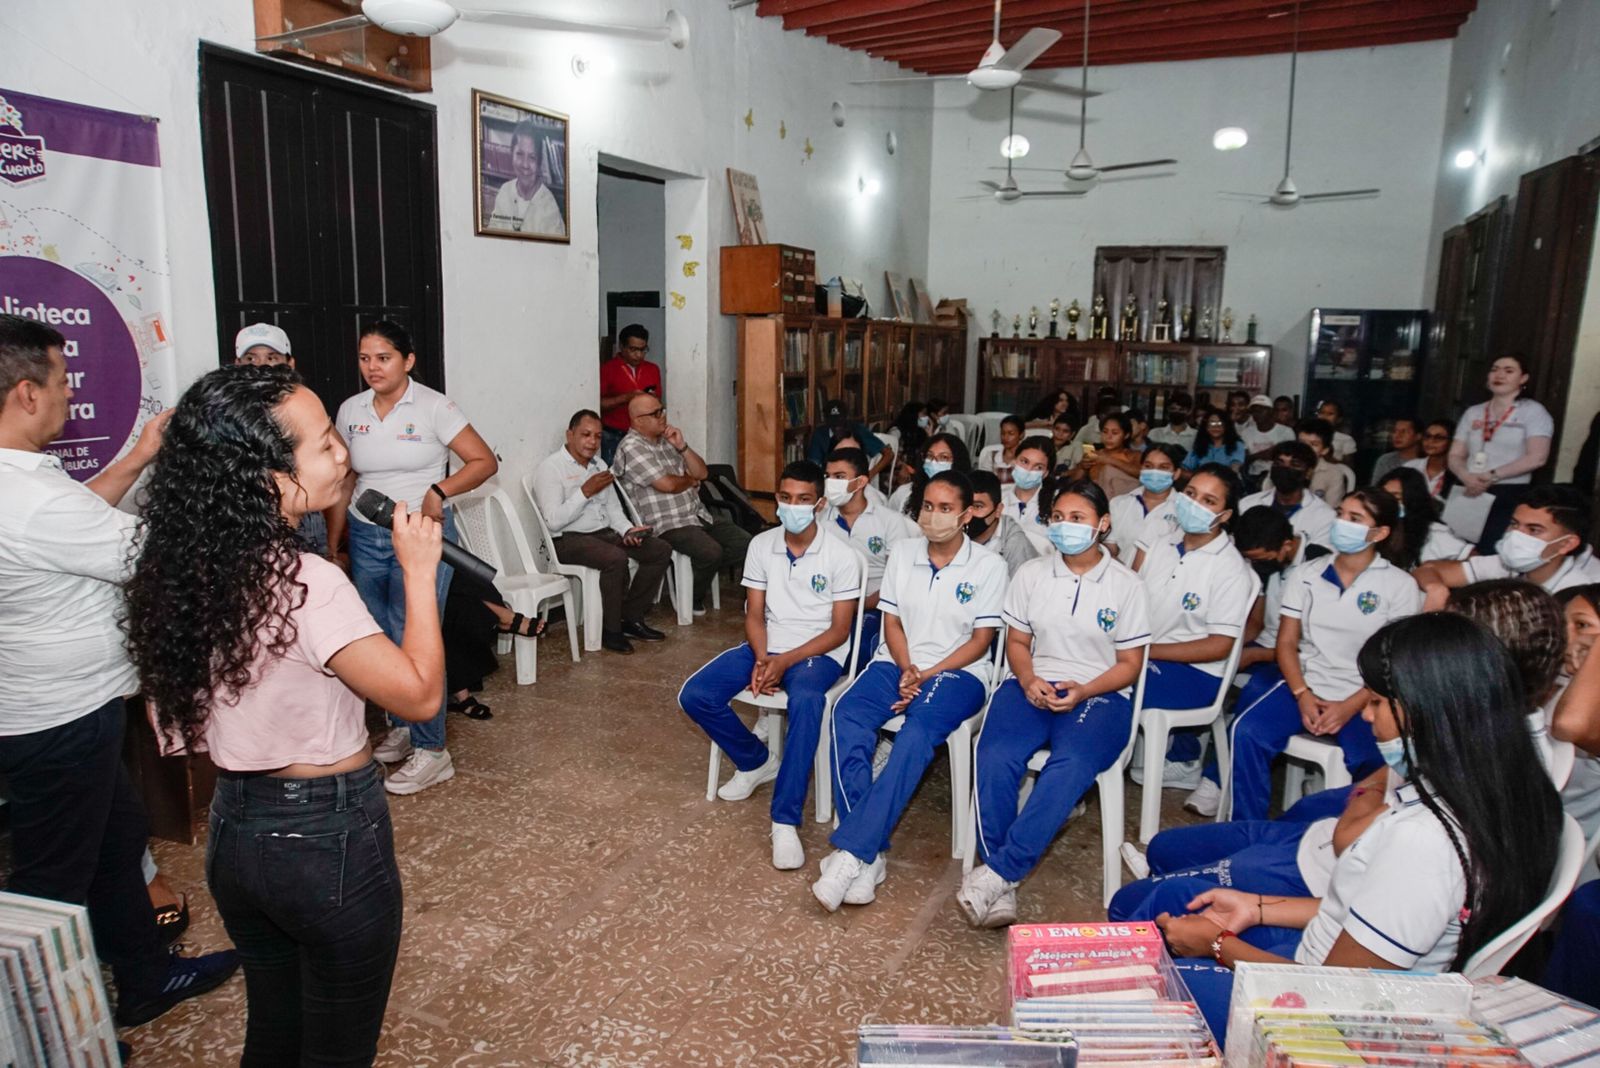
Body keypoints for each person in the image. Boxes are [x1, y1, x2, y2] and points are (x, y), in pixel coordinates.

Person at [125, 365, 445, 1063]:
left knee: (274, 1025)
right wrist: (419, 576)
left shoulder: (185, 563)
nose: (344, 455)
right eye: (326, 444)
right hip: (325, 835)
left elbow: (177, 726)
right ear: (268, 476)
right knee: (337, 1044)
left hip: (236, 831)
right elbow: (419, 696)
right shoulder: (309, 583)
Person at [1155, 613, 1563, 1043]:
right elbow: (1371, 911)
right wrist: (1255, 907)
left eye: (1377, 704)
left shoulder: (1425, 839)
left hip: (1327, 1017)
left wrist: (1218, 946)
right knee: (1167, 929)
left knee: (1152, 985)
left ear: (1426, 710)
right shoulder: (1500, 788)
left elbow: (1334, 995)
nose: (1366, 717)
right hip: (1333, 967)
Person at [0, 315, 237, 1033]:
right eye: (63, 382)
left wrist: (139, 456)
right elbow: (157, 559)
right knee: (52, 883)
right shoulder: (33, 501)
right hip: (57, 720)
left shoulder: (31, 491)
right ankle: (51, 1035)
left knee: (115, 837)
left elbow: (77, 520)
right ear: (26, 394)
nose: (70, 396)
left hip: (69, 707)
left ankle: (145, 976)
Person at [1118, 581, 1566, 938]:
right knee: (1163, 849)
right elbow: (1367, 796)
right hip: (1319, 858)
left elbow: (1351, 839)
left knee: (1142, 902)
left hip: (1319, 880)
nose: (1368, 715)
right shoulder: (1461, 737)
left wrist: (1226, 937)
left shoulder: (1447, 808)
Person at [812, 471, 1008, 910]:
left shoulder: (990, 566)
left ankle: (851, 853)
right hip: (897, 661)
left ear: (965, 515)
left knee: (917, 734)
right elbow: (892, 622)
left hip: (959, 673)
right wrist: (907, 668)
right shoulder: (903, 553)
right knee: (847, 715)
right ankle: (872, 853)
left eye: (944, 509)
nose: (933, 517)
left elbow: (980, 641)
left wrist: (928, 673)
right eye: (927, 507)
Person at [959, 480, 1151, 927]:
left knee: (1070, 765)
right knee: (995, 753)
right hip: (1032, 681)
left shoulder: (1127, 586)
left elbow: (1129, 664)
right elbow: (1019, 642)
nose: (1065, 527)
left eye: (1078, 518)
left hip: (1099, 693)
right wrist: (1027, 679)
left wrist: (1084, 690)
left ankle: (999, 872)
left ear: (1102, 524)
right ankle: (1000, 881)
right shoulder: (1032, 575)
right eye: (1058, 518)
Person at [331, 319, 498, 795]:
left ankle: (432, 749)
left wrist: (438, 491)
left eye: (383, 358)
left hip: (418, 537)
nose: (372, 368)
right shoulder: (350, 410)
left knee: (417, 634)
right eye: (364, 358)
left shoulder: (433, 406)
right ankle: (402, 722)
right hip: (366, 536)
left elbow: (484, 461)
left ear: (408, 361)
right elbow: (345, 479)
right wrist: (335, 539)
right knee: (379, 635)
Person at [678, 460, 863, 870]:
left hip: (816, 652)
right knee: (696, 695)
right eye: (784, 498)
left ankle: (784, 820)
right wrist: (763, 658)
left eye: (802, 499)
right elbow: (754, 614)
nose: (792, 507)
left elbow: (839, 631)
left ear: (818, 504)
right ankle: (756, 760)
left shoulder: (841, 555)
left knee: (807, 702)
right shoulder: (762, 545)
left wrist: (784, 662)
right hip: (767, 644)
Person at [1224, 488, 1423, 821]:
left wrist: (1351, 705)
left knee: (1370, 759)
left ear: (1381, 532)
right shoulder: (1308, 574)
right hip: (1307, 682)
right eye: (1341, 514)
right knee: (1246, 731)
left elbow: (1395, 660)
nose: (1342, 523)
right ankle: (1248, 828)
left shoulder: (1400, 585)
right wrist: (1302, 694)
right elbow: (1287, 643)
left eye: (1355, 519)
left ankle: (1345, 837)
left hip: (1365, 695)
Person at [1128, 465, 1257, 798]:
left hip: (1195, 673)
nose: (1194, 504)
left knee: (1108, 689)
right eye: (1190, 494)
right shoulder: (1161, 544)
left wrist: (1148, 651)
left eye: (1209, 500)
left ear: (1225, 514)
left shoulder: (1229, 568)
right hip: (1145, 657)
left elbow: (1219, 646)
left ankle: (1087, 776)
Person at [533, 409, 673, 653]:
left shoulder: (599, 465)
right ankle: (611, 631)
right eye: (586, 435)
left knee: (659, 550)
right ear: (570, 434)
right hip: (567, 540)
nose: (592, 442)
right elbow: (554, 521)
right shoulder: (551, 468)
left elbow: (614, 510)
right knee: (615, 559)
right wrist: (584, 492)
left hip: (604, 534)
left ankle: (630, 617)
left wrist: (629, 530)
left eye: (597, 437)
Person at [614, 393, 751, 612]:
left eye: (662, 410)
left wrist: (682, 446)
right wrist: (689, 480)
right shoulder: (631, 447)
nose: (662, 417)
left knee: (746, 544)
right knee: (710, 552)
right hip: (667, 523)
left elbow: (703, 473)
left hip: (697, 514)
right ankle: (691, 596)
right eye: (655, 413)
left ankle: (691, 579)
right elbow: (667, 484)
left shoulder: (667, 442)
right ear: (638, 420)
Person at [1414, 485, 1600, 609]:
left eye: (1534, 530)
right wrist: (1436, 589)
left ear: (1567, 543)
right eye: (1514, 524)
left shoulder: (1582, 590)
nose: (1517, 535)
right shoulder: (1505, 564)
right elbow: (1429, 569)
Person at [1451, 355, 1556, 553]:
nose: (1499, 375)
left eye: (1508, 371)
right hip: (1470, 487)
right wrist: (1465, 476)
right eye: (1495, 369)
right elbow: (1455, 455)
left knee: (1492, 551)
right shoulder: (1474, 412)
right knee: (1458, 548)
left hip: (1508, 491)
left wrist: (1492, 475)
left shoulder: (1533, 412)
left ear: (1523, 378)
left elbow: (1538, 457)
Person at [822, 447, 918, 660]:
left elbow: (897, 580)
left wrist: (859, 606)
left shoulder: (889, 521)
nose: (830, 483)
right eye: (827, 476)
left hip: (872, 605)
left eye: (839, 477)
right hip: (826, 604)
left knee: (858, 648)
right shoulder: (820, 521)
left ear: (861, 481)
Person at [1238, 441, 1337, 550]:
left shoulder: (1325, 516)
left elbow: (1318, 560)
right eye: (1279, 463)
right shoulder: (1248, 504)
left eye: (1294, 464)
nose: (1284, 469)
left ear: (1308, 473)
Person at [1378, 466, 1472, 566]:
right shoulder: (1375, 528)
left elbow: (1474, 561)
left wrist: (1436, 573)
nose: (1387, 502)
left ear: (1413, 500)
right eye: (1383, 496)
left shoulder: (1436, 533)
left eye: (1396, 497)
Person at [488, 118, 566, 237]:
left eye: (532, 157)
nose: (525, 164)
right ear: (511, 154)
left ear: (539, 162)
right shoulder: (504, 192)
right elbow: (492, 237)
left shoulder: (549, 207)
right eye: (519, 154)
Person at [1106, 443, 1184, 561]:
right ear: (1141, 469)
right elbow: (1110, 547)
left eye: (1163, 467)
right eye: (1148, 466)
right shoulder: (1119, 503)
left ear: (1176, 473)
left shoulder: (1184, 508)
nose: (1154, 472)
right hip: (1120, 575)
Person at [598, 324, 663, 463]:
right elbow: (598, 405)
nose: (638, 355)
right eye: (633, 349)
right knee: (613, 476)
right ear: (621, 346)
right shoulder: (607, 369)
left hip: (644, 436)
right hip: (613, 435)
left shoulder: (652, 369)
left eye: (643, 349)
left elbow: (659, 402)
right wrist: (626, 398)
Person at [966, 469, 1038, 576]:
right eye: (965, 505)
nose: (970, 513)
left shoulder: (1016, 544)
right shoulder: (953, 524)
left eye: (978, 506)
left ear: (998, 510)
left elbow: (1019, 590)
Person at [807, 398, 891, 482]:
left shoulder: (858, 430)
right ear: (825, 420)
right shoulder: (819, 434)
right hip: (829, 479)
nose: (837, 427)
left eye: (840, 421)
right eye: (833, 422)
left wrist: (870, 474)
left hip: (854, 479)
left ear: (846, 417)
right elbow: (814, 464)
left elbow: (888, 454)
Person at [891, 431, 971, 515]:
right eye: (929, 456)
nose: (933, 462)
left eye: (944, 457)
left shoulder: (966, 497)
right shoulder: (904, 492)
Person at [1079, 413, 1142, 499]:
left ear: (1126, 435)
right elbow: (1074, 480)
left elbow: (1140, 473)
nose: (1109, 437)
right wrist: (1082, 467)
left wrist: (1109, 460)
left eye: (1115, 433)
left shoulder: (1133, 455)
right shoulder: (1095, 454)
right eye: (1105, 432)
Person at [1239, 393, 1294, 484]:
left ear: (1271, 411)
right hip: (1254, 476)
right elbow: (1243, 458)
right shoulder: (1246, 432)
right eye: (1254, 411)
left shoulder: (1286, 432)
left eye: (1261, 410)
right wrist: (1265, 454)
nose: (1257, 414)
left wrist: (1254, 456)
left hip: (1278, 476)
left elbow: (1284, 457)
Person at [1000, 435, 1054, 528]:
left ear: (1045, 473)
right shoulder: (999, 495)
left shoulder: (1055, 503)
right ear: (1015, 461)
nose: (1028, 470)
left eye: (1038, 467)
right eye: (1024, 462)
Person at [1298, 417, 1354, 505]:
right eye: (1302, 443)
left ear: (1325, 450)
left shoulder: (1334, 473)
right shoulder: (1282, 465)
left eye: (1314, 444)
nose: (1306, 449)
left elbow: (1332, 509)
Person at [1404, 419, 1455, 499]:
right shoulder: (1410, 467)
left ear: (1452, 442)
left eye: (1439, 438)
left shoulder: (1459, 474)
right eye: (1427, 436)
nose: (1431, 441)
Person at [1370, 417, 1421, 483]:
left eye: (1404, 431)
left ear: (1418, 436)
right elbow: (1375, 489)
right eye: (1394, 431)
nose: (1397, 435)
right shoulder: (1385, 460)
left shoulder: (1428, 461)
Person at [976, 414, 1024, 485]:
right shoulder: (991, 456)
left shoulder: (1027, 458)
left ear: (1021, 435)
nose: (1005, 437)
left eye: (1011, 433)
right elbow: (983, 481)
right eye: (1003, 433)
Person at [1314, 399, 1358, 464]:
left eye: (1330, 414)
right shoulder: (1310, 436)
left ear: (1339, 419)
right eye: (1322, 413)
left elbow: (1349, 465)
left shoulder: (1346, 439)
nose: (1324, 417)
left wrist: (1329, 458)